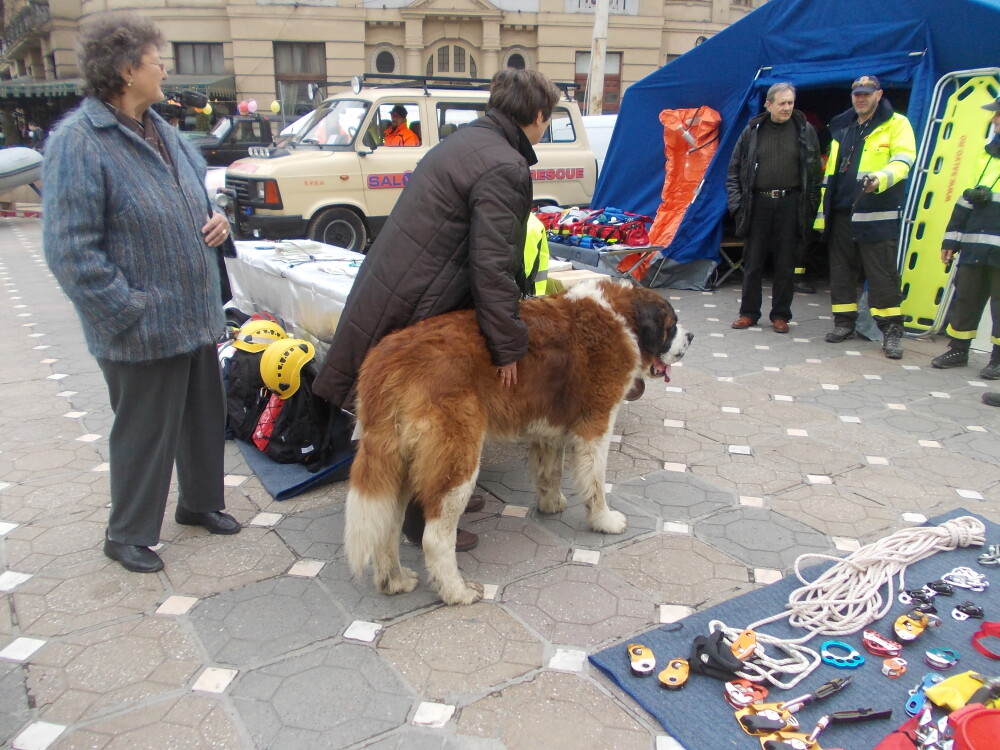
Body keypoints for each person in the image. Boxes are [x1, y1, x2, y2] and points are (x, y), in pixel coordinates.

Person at [313, 68, 561, 551]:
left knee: (411, 415)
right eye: (547, 118)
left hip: (399, 286)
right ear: (537, 115)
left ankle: (433, 496)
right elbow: (492, 267)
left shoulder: (466, 141)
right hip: (421, 300)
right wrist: (510, 346)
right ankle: (418, 517)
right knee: (419, 415)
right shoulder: (505, 165)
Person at [42, 12, 240, 574]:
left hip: (193, 313)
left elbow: (200, 200)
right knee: (144, 430)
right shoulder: (79, 143)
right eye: (158, 61)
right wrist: (124, 309)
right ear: (127, 70)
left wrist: (218, 221)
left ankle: (200, 504)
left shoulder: (164, 129)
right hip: (139, 324)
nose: (165, 70)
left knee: (204, 416)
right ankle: (126, 532)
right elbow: (70, 251)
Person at [815, 75, 916, 359]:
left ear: (879, 94)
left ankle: (892, 332)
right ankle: (844, 323)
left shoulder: (897, 124)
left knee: (882, 275)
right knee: (841, 272)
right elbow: (832, 172)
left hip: (876, 212)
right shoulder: (842, 126)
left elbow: (905, 160)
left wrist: (881, 178)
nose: (861, 98)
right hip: (842, 212)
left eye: (866, 94)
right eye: (857, 94)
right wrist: (823, 214)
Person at [727, 82, 821, 334]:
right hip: (758, 203)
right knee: (753, 263)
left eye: (790, 102)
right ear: (768, 104)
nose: (787, 107)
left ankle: (781, 315)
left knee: (785, 264)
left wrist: (810, 208)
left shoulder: (804, 130)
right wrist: (737, 205)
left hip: (791, 203)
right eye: (782, 103)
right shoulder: (753, 131)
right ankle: (748, 313)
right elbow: (734, 169)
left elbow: (814, 174)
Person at [931, 97, 1000, 387]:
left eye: (999, 116)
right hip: (974, 247)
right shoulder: (984, 156)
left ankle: (997, 359)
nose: (995, 120)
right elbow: (964, 202)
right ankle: (958, 350)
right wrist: (952, 240)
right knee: (966, 299)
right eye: (996, 116)